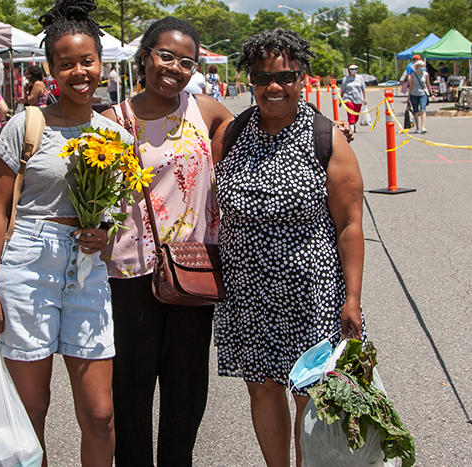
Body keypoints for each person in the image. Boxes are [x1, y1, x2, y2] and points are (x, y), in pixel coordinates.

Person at [0, 0, 132, 465]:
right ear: (52, 69)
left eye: (87, 61)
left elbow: (116, 210)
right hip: (28, 267)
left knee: (101, 414)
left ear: (101, 65)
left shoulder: (116, 137)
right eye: (67, 63)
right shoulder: (26, 125)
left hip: (87, 274)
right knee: (31, 412)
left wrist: (103, 232)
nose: (79, 72)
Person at [210, 29, 365, 467]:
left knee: (309, 393)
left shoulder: (325, 137)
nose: (273, 86)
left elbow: (351, 224)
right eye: (262, 77)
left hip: (309, 293)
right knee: (261, 387)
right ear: (249, 80)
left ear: (302, 78)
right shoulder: (233, 133)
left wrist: (352, 298)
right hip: (249, 293)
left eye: (285, 76)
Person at [100, 17, 232, 467]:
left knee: (186, 389)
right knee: (130, 391)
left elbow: (259, 139)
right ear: (145, 57)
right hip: (127, 273)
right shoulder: (111, 120)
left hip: (192, 268)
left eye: (187, 61)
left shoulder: (206, 110)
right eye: (166, 55)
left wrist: (327, 135)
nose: (175, 67)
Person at [339, 63, 366, 134]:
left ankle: (354, 124)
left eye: (355, 69)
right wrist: (340, 99)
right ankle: (352, 126)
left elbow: (363, 89)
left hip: (358, 99)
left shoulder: (360, 78)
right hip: (348, 98)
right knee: (351, 112)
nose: (354, 71)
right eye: (352, 69)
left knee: (356, 114)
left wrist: (364, 98)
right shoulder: (346, 79)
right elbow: (342, 90)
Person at [407, 59, 432, 134]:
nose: (422, 68)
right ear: (417, 67)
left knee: (423, 110)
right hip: (414, 94)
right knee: (415, 111)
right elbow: (411, 86)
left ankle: (423, 127)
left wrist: (431, 93)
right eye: (421, 66)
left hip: (423, 93)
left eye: (423, 66)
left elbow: (428, 84)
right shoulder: (413, 75)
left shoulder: (426, 74)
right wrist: (408, 97)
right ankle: (417, 127)